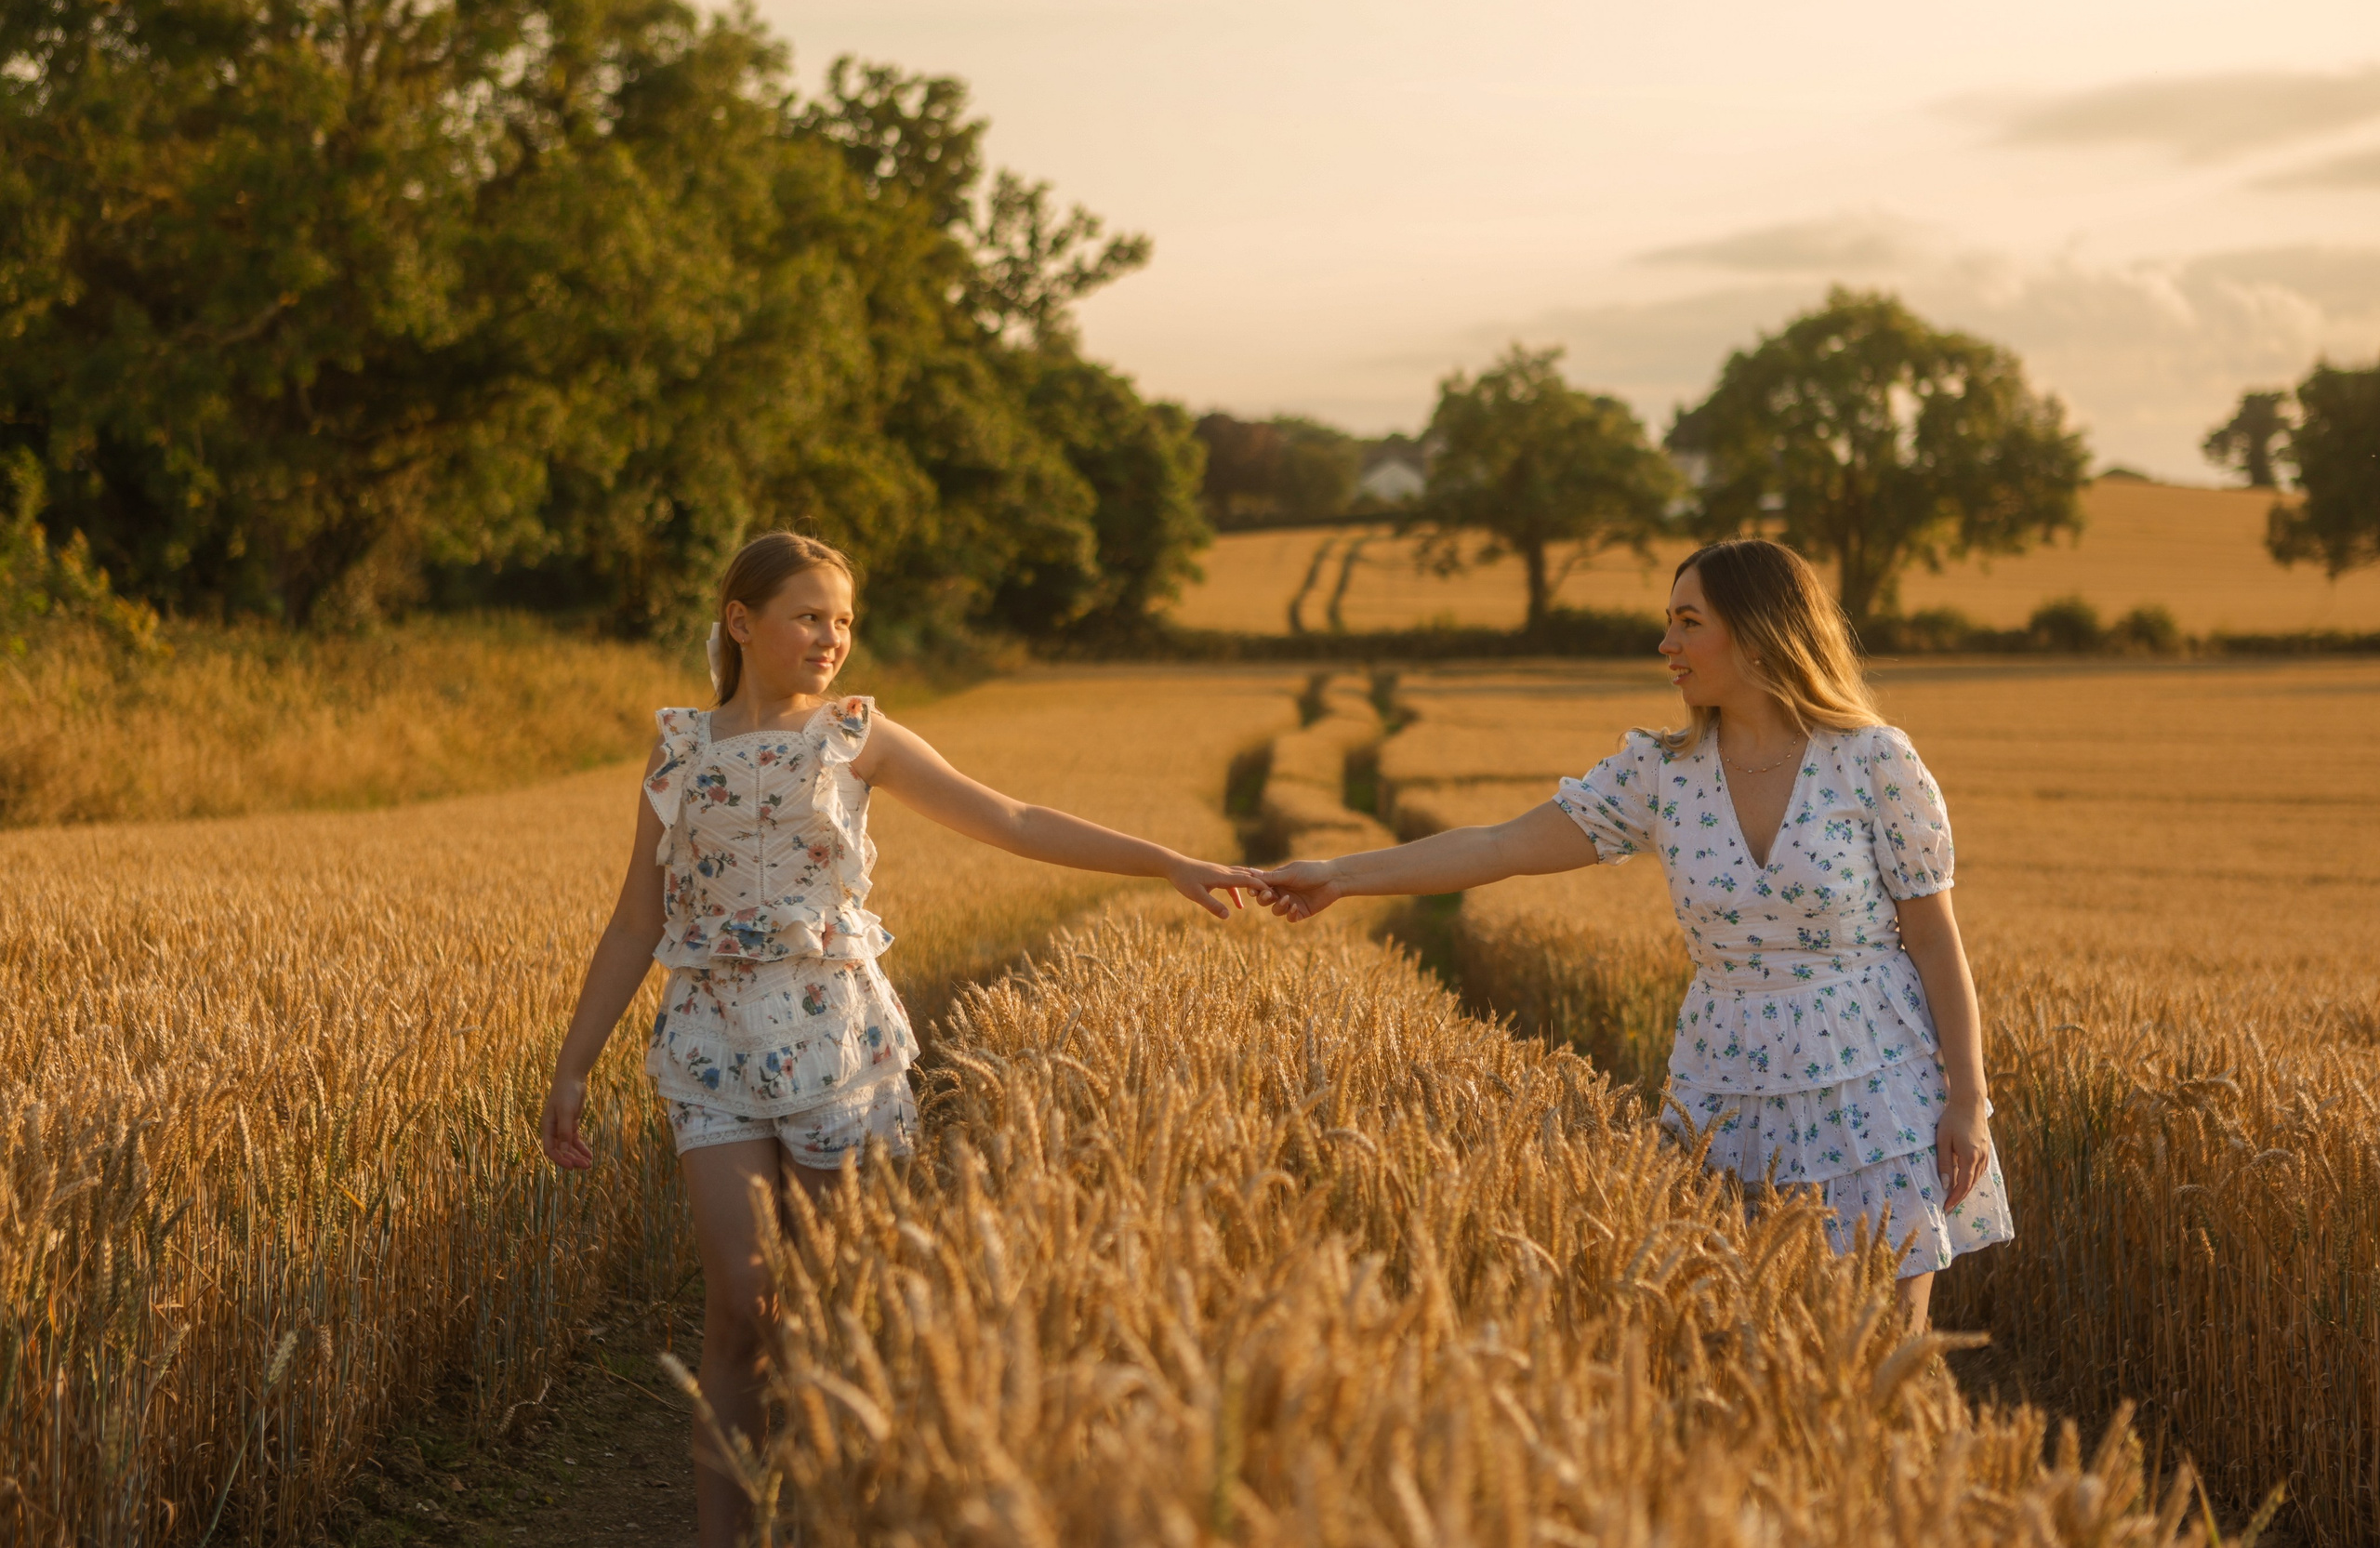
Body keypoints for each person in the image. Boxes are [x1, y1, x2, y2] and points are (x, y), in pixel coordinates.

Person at [537, 531, 1261, 1546]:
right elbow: (633, 921)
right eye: (808, 616)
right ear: (741, 623)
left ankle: (844, 1519)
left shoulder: (856, 733)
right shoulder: (679, 746)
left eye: (842, 620)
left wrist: (1166, 860)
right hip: (709, 1047)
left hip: (839, 1046)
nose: (831, 638)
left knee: (849, 1306)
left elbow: (1010, 817)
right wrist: (572, 1065)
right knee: (743, 1306)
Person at [1254, 538, 2013, 1327]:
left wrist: (1968, 1098)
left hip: (1873, 1079)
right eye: (1668, 621)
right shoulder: (1661, 771)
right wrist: (1341, 874)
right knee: (1743, 1332)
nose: (1667, 645)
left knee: (1885, 1332)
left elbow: (1933, 940)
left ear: (1758, 632)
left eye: (1689, 622)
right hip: (1726, 1080)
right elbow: (1498, 845)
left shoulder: (1873, 761)